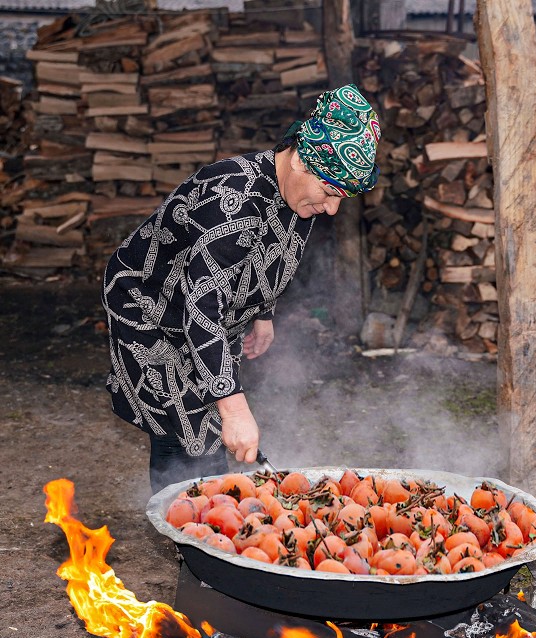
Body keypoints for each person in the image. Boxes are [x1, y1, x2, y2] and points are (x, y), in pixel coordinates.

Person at [102, 84, 381, 495]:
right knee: (188, 433)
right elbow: (201, 311)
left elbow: (270, 257)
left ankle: (205, 523)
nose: (333, 208)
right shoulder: (229, 201)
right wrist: (233, 408)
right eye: (329, 192)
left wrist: (262, 313)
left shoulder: (297, 195)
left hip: (206, 310)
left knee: (211, 417)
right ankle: (192, 538)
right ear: (302, 160)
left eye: (343, 196)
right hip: (150, 309)